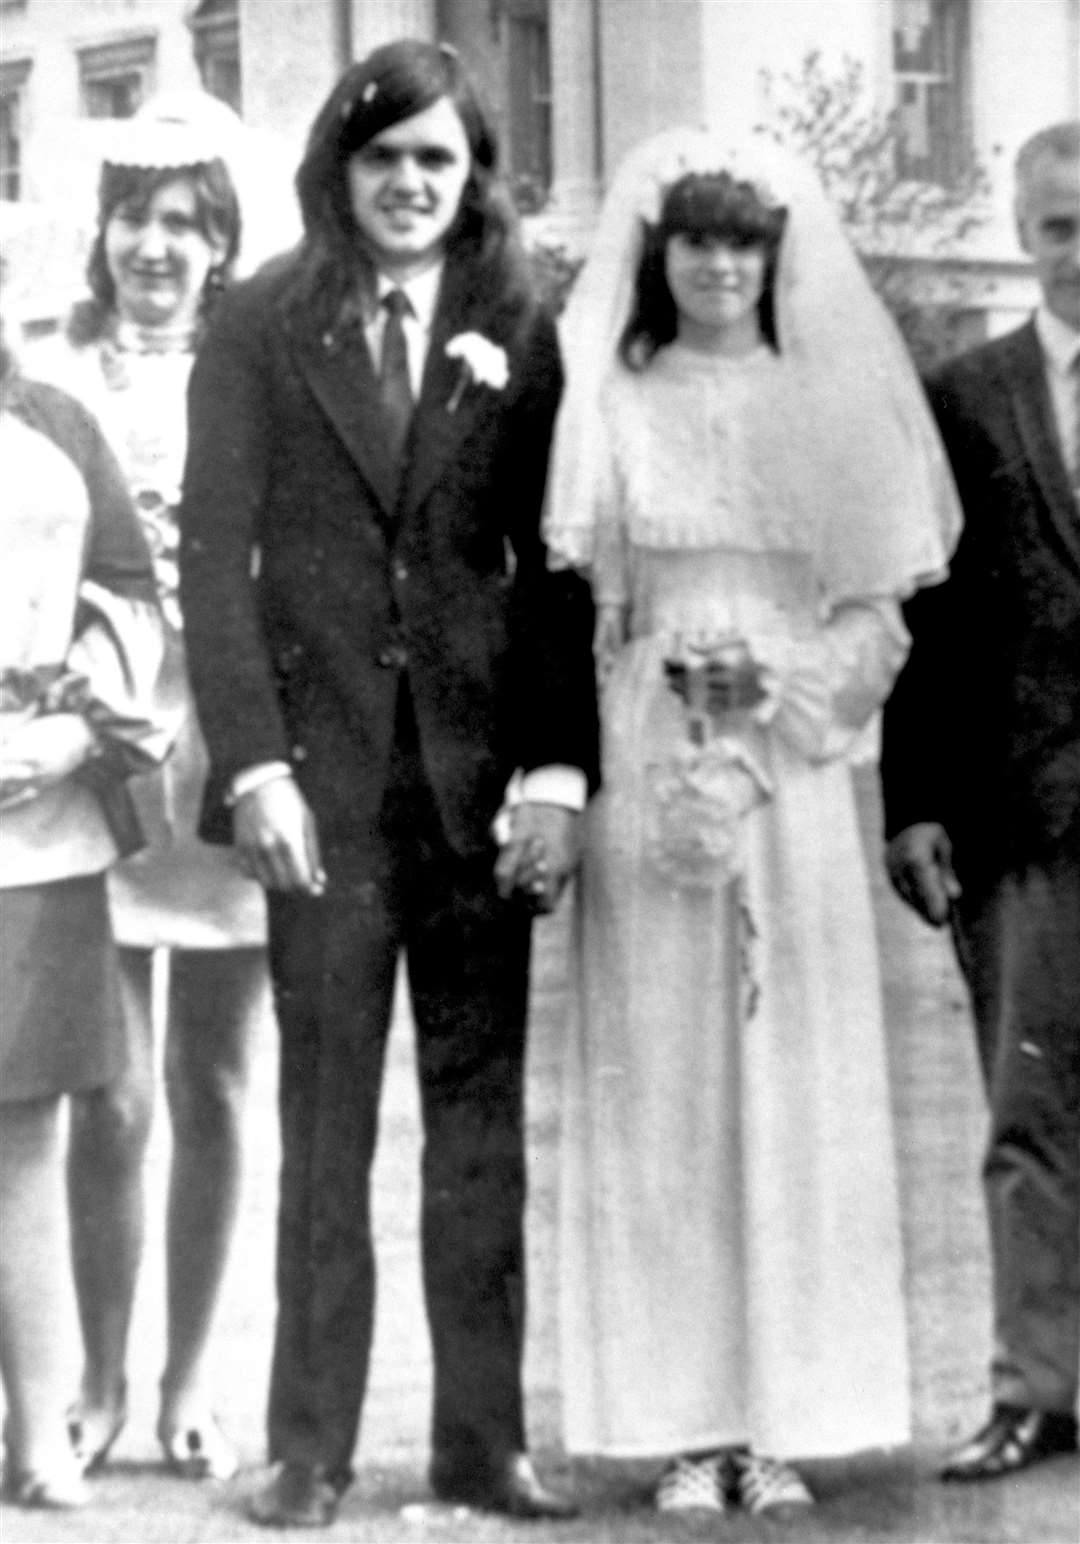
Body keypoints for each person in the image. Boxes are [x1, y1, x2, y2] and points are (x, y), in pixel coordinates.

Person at [176, 40, 599, 1528]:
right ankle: (310, 1450)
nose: (412, 186)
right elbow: (210, 566)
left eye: (438, 160)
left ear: (471, 172)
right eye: (384, 160)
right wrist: (256, 767)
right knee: (326, 1134)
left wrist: (555, 771)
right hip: (326, 795)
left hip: (476, 792)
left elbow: (554, 570)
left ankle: (485, 1444)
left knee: (478, 1135)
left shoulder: (522, 321)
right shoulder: (259, 323)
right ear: (338, 171)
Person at [542, 128, 963, 1516]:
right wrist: (647, 711)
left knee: (790, 1075)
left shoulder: (826, 400)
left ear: (776, 259)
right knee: (664, 1082)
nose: (720, 265)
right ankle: (682, 1422)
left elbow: (873, 615)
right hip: (650, 753)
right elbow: (590, 603)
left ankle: (788, 1411)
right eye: (695, 241)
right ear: (657, 257)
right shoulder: (613, 393)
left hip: (785, 769)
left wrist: (777, 694)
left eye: (744, 243)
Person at [26, 95, 270, 1482]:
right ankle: (101, 1379)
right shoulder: (51, 370)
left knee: (218, 1083)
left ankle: (188, 1382)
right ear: (102, 230)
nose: (156, 245)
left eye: (186, 221)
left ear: (224, 239)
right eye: (136, 217)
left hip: (223, 753)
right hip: (93, 756)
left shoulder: (254, 366)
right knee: (108, 1093)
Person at [881, 120, 1080, 1482]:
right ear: (1024, 231)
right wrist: (914, 803)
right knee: (1028, 1114)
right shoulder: (966, 394)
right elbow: (930, 623)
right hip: (1029, 808)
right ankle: (1034, 1388)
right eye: (1061, 222)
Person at [0, 275, 167, 1509]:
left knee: (24, 1143)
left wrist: (75, 735)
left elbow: (126, 589)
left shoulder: (55, 420)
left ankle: (39, 1435)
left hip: (36, 835)